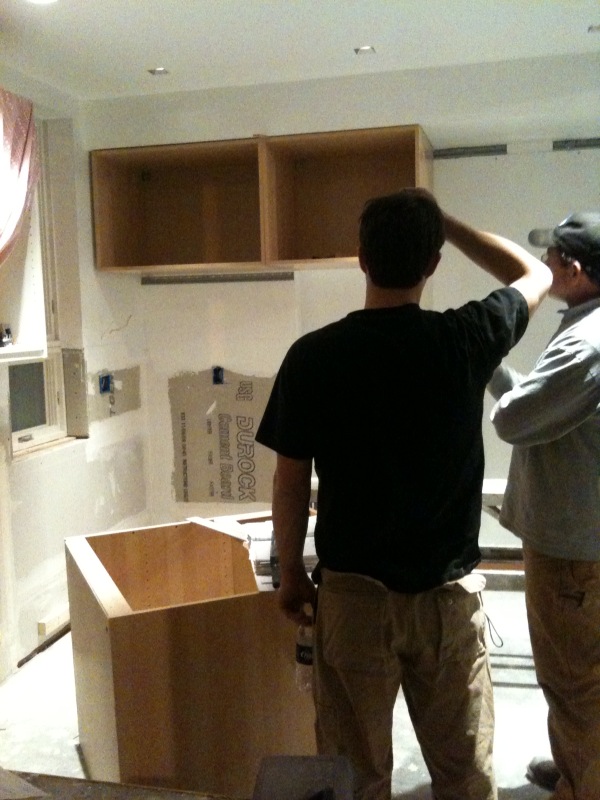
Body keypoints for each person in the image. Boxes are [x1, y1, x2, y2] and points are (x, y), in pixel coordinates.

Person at [256, 188, 552, 800]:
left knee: (354, 776)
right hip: (446, 602)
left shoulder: (313, 356)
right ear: (434, 262)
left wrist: (290, 572)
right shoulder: (466, 337)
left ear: (362, 258)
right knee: (464, 775)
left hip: (353, 600)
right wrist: (445, 221)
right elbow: (536, 273)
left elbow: (291, 480)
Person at [488, 211, 600, 800]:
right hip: (582, 543)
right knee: (582, 681)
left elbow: (515, 419)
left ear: (574, 270)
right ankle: (579, 766)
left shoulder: (587, 342)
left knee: (574, 684)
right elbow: (545, 405)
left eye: (550, 257)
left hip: (573, 555)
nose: (542, 266)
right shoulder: (587, 326)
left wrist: (484, 359)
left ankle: (584, 785)